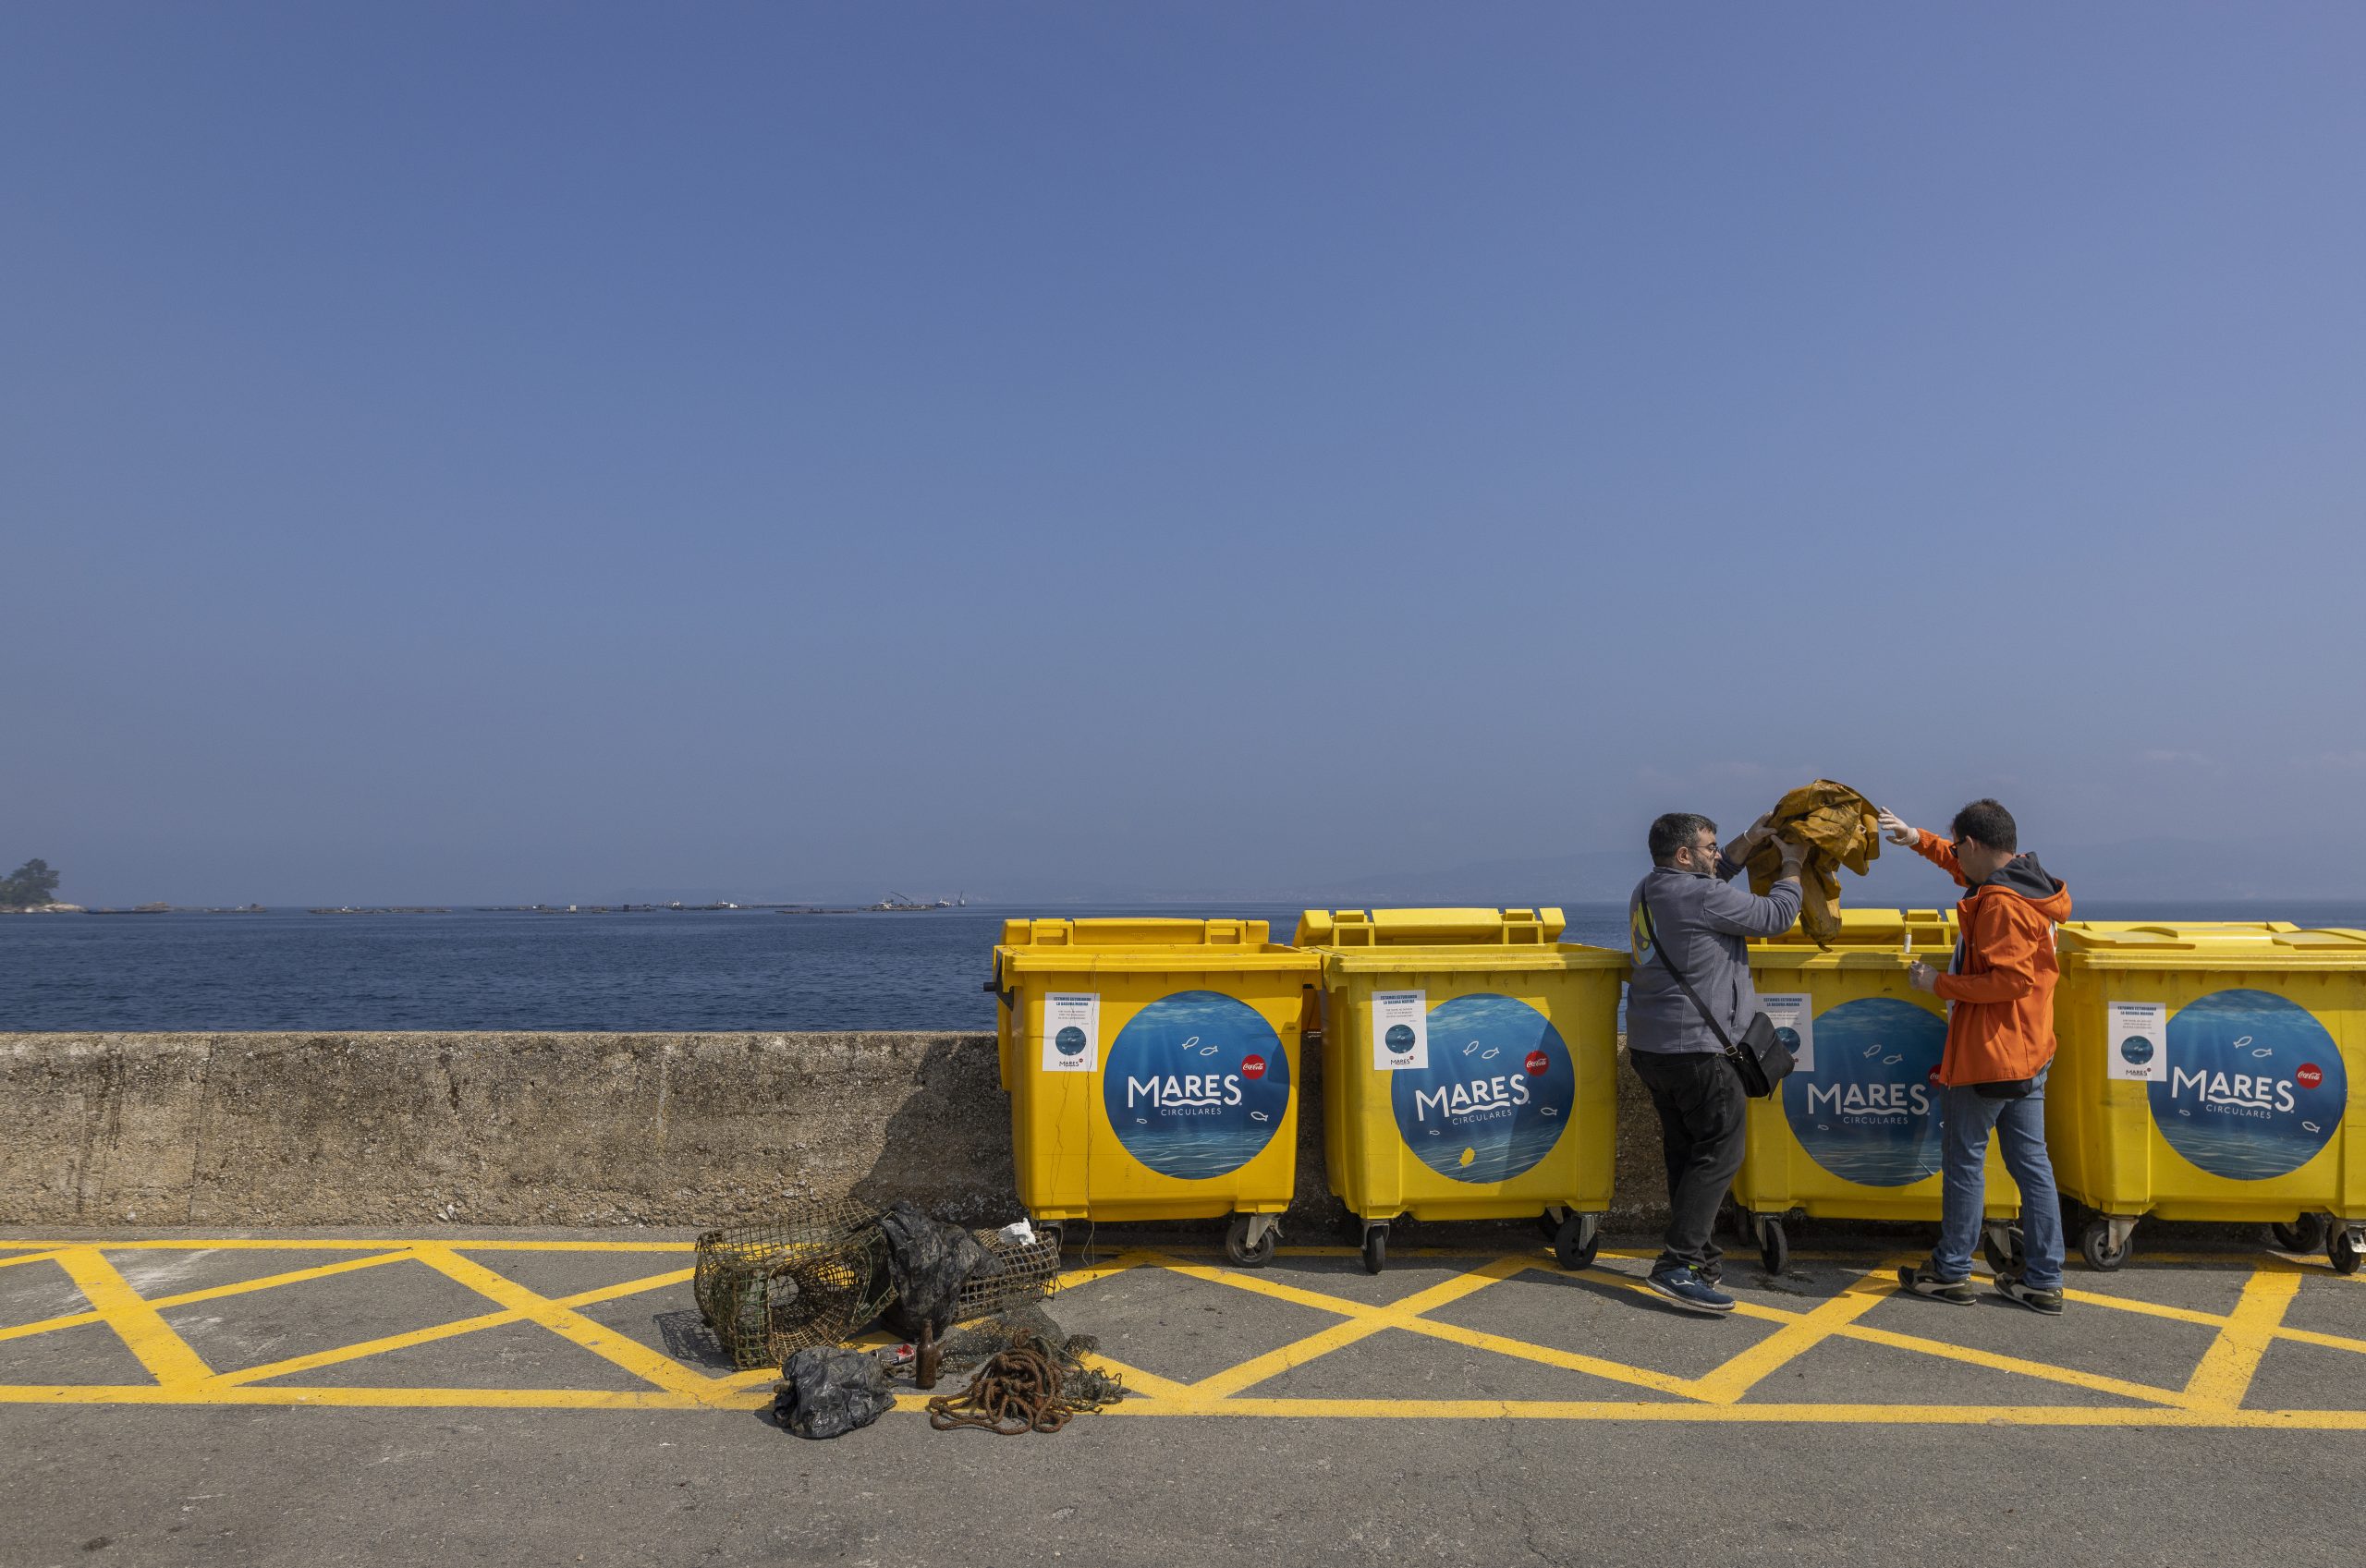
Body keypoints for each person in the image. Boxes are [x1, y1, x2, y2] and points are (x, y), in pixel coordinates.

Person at [1877, 798, 2073, 1315]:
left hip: (1989, 1054)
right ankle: (2044, 1279)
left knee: (1964, 1162)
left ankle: (1951, 1271)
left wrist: (1935, 983)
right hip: (2031, 1049)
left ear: (1974, 844)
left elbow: (2010, 980)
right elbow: (1967, 869)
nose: (1955, 859)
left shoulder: (2001, 906)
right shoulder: (2028, 883)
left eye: (1957, 848)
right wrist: (1916, 838)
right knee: (2032, 1165)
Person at [1627, 810, 1806, 1314]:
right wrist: (1792, 865)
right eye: (1708, 847)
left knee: (1688, 1155)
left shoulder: (1648, 889)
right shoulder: (1701, 895)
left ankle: (1700, 1261)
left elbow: (1718, 874)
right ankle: (1676, 1265)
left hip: (1653, 1047)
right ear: (1684, 855)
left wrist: (1751, 839)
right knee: (1720, 1154)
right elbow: (1776, 917)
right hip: (1700, 1049)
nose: (1716, 853)